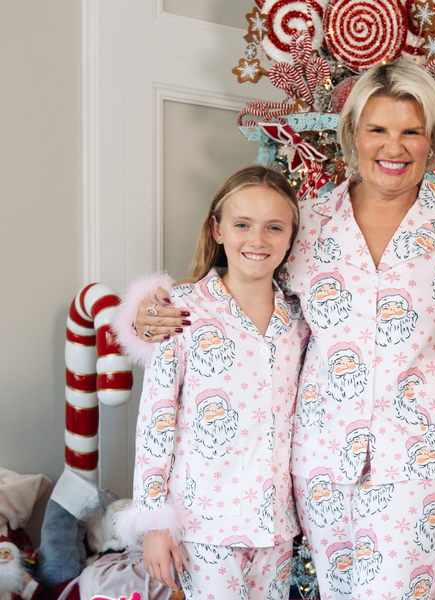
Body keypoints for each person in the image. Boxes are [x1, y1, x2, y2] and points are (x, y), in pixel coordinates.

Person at [117, 61, 435, 600]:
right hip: (319, 461)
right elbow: (243, 288)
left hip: (419, 459)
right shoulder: (307, 222)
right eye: (378, 130)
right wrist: (147, 314)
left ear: (432, 141)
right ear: (353, 136)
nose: (395, 147)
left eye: (411, 131)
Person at [114, 166, 309, 600]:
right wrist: (154, 522)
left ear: (291, 236)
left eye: (274, 227)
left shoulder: (300, 318)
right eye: (242, 225)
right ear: (217, 229)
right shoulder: (180, 311)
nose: (257, 240)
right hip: (204, 523)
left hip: (276, 524)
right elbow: (156, 422)